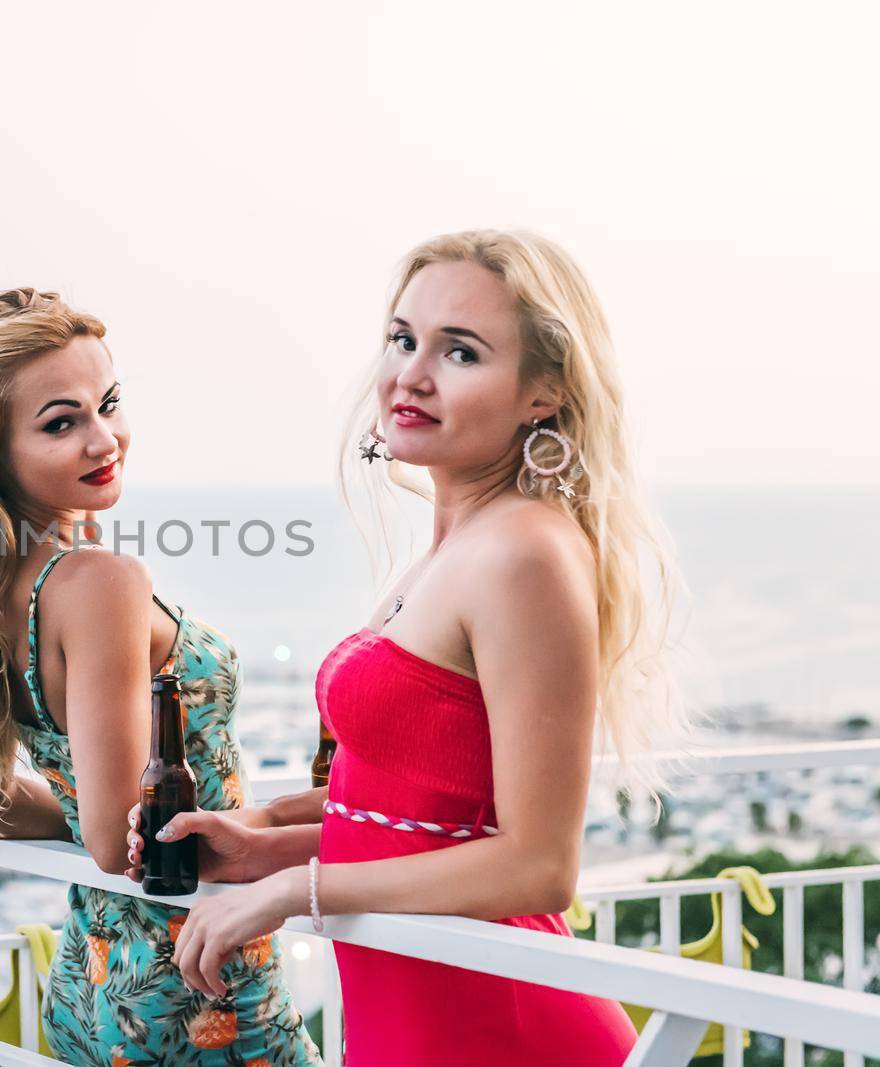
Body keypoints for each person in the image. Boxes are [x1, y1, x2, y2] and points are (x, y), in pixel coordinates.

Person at [125, 230, 699, 1064]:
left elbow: (538, 865)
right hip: (416, 1021)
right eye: (403, 339)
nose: (411, 374)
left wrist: (295, 890)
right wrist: (264, 847)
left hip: (500, 1028)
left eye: (460, 351)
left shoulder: (523, 553)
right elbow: (424, 821)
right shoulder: (451, 551)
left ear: (543, 392)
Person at [0, 288, 322, 1066]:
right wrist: (295, 823)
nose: (104, 438)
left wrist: (82, 800)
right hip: (195, 982)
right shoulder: (99, 581)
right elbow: (116, 832)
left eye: (108, 404)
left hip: (91, 981)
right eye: (62, 422)